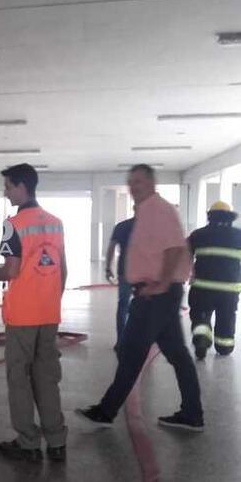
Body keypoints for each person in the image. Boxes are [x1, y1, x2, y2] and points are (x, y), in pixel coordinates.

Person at [77, 164, 203, 431]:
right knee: (177, 355)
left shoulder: (160, 210)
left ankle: (106, 411)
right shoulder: (146, 212)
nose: (134, 187)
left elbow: (173, 250)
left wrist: (162, 285)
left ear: (152, 182)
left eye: (140, 182)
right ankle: (192, 414)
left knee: (131, 352)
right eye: (131, 183)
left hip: (155, 295)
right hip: (157, 294)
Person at [0, 163, 68, 463]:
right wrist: (52, 299)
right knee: (47, 376)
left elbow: (11, 270)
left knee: (19, 378)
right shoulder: (56, 222)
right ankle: (57, 441)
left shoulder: (13, 224)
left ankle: (28, 443)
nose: (5, 193)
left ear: (21, 186)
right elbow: (62, 269)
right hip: (49, 312)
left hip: (22, 316)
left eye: (7, 187)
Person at [188, 201, 241, 359]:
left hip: (202, 287)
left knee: (200, 315)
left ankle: (201, 339)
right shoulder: (239, 235)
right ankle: (224, 347)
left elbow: (185, 256)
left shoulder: (198, 234)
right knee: (226, 317)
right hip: (229, 289)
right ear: (230, 217)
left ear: (210, 216)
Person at [105, 217, 135, 350]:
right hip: (144, 273)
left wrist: (108, 268)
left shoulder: (122, 226)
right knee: (145, 305)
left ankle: (121, 341)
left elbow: (111, 247)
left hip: (125, 271)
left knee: (123, 304)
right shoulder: (150, 225)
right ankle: (143, 340)